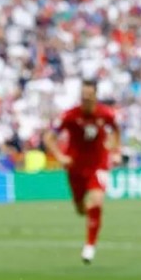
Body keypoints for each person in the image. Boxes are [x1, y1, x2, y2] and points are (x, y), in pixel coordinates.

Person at [43, 80, 120, 264]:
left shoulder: (106, 114)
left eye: (89, 95)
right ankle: (92, 217)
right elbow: (49, 137)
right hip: (75, 166)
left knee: (97, 200)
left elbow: (116, 130)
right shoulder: (70, 116)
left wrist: (115, 149)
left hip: (98, 164)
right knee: (80, 209)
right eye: (83, 95)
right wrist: (59, 156)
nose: (85, 98)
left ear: (95, 95)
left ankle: (90, 246)